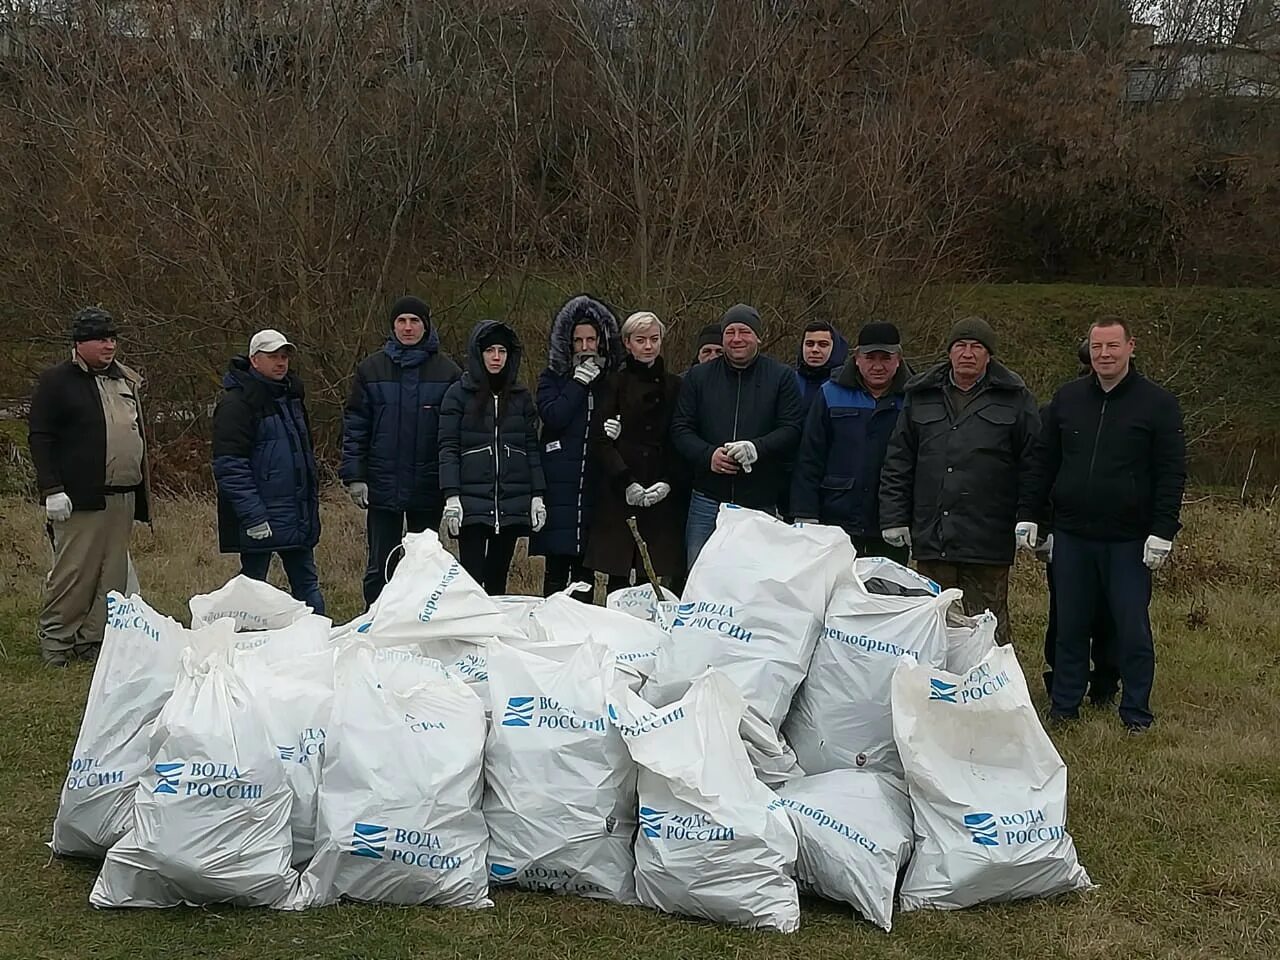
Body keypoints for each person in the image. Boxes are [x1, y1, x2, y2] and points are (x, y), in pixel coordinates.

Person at [1026, 318, 1186, 732]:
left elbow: (1171, 472)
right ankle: (1064, 707)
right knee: (1069, 626)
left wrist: (1163, 530)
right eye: (1097, 347)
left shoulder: (1157, 404)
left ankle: (1135, 712)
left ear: (1130, 347)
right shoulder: (1067, 399)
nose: (1105, 355)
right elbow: (1045, 462)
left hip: (1130, 540)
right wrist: (1033, 517)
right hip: (1073, 536)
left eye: (1113, 346)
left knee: (1130, 628)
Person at [879, 316, 1038, 644]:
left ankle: (996, 690)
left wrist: (1031, 516)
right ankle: (937, 688)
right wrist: (894, 517)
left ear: (989, 355)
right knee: (933, 624)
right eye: (961, 346)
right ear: (949, 353)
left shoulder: (1015, 398)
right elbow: (899, 460)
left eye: (977, 347)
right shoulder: (921, 396)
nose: (968, 353)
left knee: (989, 627)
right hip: (933, 534)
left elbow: (1033, 463)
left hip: (988, 537)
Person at [28, 307, 152, 666]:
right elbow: (41, 436)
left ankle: (94, 640)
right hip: (79, 500)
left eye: (112, 338)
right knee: (74, 574)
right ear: (79, 343)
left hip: (123, 494)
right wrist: (51, 488)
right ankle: (57, 642)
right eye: (100, 338)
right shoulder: (57, 382)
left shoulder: (125, 379)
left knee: (112, 577)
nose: (108, 345)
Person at [340, 295, 461, 606]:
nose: (408, 328)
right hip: (383, 485)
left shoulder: (448, 373)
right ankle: (375, 619)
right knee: (381, 562)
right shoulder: (371, 369)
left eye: (415, 321)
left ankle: (422, 620)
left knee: (425, 562)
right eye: (401, 321)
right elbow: (356, 426)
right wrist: (356, 476)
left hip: (428, 485)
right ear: (393, 326)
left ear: (426, 325)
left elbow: (457, 434)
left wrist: (453, 489)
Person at [671, 303, 804, 568]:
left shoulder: (782, 377)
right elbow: (680, 428)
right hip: (707, 499)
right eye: (730, 332)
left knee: (753, 578)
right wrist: (708, 455)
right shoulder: (698, 377)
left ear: (758, 337)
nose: (736, 338)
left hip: (759, 500)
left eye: (744, 331)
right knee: (700, 573)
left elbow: (792, 428)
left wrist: (757, 448)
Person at [212, 329, 324, 613]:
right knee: (252, 587)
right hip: (260, 515)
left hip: (295, 512)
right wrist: (253, 516)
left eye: (284, 356)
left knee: (307, 583)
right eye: (273, 356)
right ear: (254, 360)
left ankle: (319, 641)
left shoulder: (291, 398)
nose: (281, 362)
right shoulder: (236, 404)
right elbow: (230, 466)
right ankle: (245, 644)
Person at [439, 320, 546, 595]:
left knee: (498, 579)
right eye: (490, 351)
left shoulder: (521, 398)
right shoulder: (457, 395)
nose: (496, 357)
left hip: (510, 502)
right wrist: (452, 496)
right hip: (471, 504)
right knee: (471, 580)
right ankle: (470, 633)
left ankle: (493, 636)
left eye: (502, 351)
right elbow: (448, 447)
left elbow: (531, 448)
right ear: (478, 353)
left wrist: (537, 495)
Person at [1038, 339, 1119, 704]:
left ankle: (1105, 680)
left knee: (1111, 613)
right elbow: (1045, 467)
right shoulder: (1063, 404)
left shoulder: (1137, 405)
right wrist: (1043, 524)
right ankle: (1062, 684)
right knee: (1065, 613)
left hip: (1120, 533)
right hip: (1067, 530)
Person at [791, 321, 909, 563]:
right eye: (870, 357)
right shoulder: (830, 393)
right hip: (835, 518)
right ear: (856, 358)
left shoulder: (913, 398)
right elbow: (810, 456)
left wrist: (906, 518)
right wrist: (805, 512)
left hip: (889, 522)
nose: (877, 366)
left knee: (885, 595)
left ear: (898, 359)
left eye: (885, 358)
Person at [585, 311, 687, 592]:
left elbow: (680, 437)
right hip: (620, 487)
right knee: (618, 575)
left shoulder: (675, 386)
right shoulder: (613, 384)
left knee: (652, 576)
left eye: (654, 339)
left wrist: (668, 481)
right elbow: (600, 439)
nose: (648, 346)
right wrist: (625, 481)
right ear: (628, 343)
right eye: (641, 340)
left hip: (658, 487)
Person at [531, 295, 624, 601]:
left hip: (595, 488)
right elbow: (553, 415)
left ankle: (584, 630)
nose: (585, 346)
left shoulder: (612, 381)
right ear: (568, 343)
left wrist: (618, 429)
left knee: (585, 572)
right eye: (578, 340)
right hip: (559, 485)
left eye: (591, 339)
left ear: (602, 341)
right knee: (556, 569)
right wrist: (577, 383)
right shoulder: (552, 378)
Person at [794, 319, 849, 415]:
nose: (815, 350)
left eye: (823, 345)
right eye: (809, 344)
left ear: (834, 348)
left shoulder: (846, 384)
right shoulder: (788, 382)